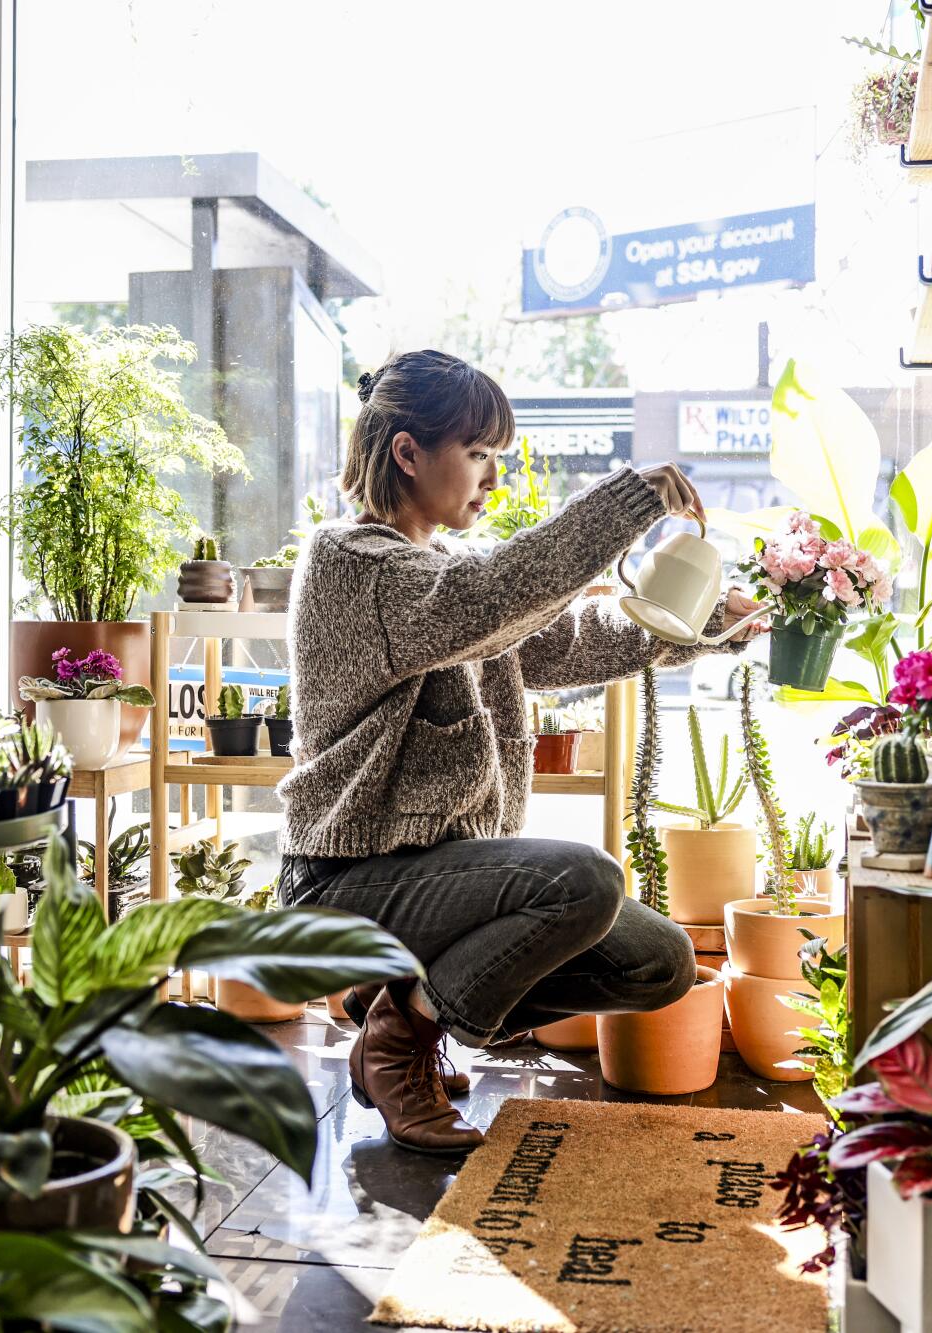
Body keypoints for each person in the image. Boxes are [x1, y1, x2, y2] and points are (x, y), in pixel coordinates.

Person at [274, 348, 769, 1152]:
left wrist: (709, 623)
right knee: (584, 880)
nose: (492, 479)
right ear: (407, 452)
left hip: (440, 878)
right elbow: (488, 597)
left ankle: (402, 1004)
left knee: (658, 961)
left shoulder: (443, 575)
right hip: (346, 882)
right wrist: (628, 503)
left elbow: (564, 641)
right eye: (479, 455)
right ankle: (400, 1039)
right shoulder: (351, 564)